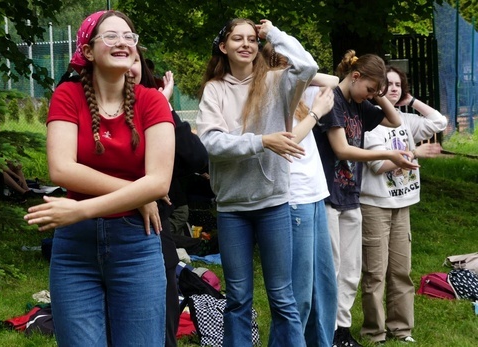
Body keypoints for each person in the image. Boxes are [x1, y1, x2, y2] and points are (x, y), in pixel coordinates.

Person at [24, 10, 175, 346]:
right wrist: (138, 195)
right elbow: (62, 169)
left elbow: (159, 182)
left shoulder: (152, 102)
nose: (122, 42)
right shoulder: (68, 95)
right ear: (88, 51)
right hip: (75, 250)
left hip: (137, 245)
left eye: (128, 37)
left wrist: (82, 209)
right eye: (110, 35)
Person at [196, 18, 318, 346]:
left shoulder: (278, 82)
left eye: (252, 39)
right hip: (232, 208)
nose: (247, 44)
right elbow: (210, 143)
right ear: (224, 46)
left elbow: (308, 64)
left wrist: (274, 34)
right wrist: (262, 141)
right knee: (237, 298)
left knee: (283, 297)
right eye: (238, 39)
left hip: (273, 204)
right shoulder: (215, 90)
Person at [311, 50, 419, 347]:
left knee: (350, 270)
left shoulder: (360, 104)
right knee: (331, 268)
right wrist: (387, 153)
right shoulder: (332, 99)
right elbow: (343, 149)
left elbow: (395, 120)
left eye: (376, 92)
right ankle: (326, 331)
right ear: (354, 76)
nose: (372, 96)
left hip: (351, 196)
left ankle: (342, 330)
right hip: (329, 196)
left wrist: (378, 92)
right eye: (370, 89)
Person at [359, 65, 447, 344]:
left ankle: (401, 329)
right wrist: (414, 152)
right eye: (388, 84)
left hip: (402, 204)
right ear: (377, 89)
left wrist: (412, 101)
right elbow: (376, 166)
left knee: (400, 270)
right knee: (375, 272)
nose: (394, 88)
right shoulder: (368, 120)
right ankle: (375, 332)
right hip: (375, 206)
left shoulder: (407, 120)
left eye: (398, 84)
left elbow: (439, 122)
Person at [262, 42, 339, 346]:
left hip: (315, 194)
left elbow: (333, 81)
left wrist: (277, 37)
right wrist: (317, 114)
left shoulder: (302, 90)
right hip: (292, 198)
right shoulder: (267, 93)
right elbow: (289, 140)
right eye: (282, 61)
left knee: (324, 287)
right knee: (298, 294)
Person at [133, 51, 208, 347]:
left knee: (163, 325)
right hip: (106, 230)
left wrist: (164, 107)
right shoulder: (91, 109)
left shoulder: (155, 105)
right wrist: (140, 191)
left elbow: (196, 157)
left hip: (155, 230)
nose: (128, 68)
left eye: (134, 59)